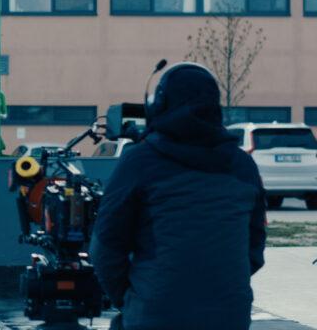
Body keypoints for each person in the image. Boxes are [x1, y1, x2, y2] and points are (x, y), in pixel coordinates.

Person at [90, 62, 266, 330]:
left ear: (159, 105)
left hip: (154, 315)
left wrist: (132, 299)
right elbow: (254, 249)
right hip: (229, 316)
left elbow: (105, 247)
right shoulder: (244, 166)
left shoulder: (139, 161)